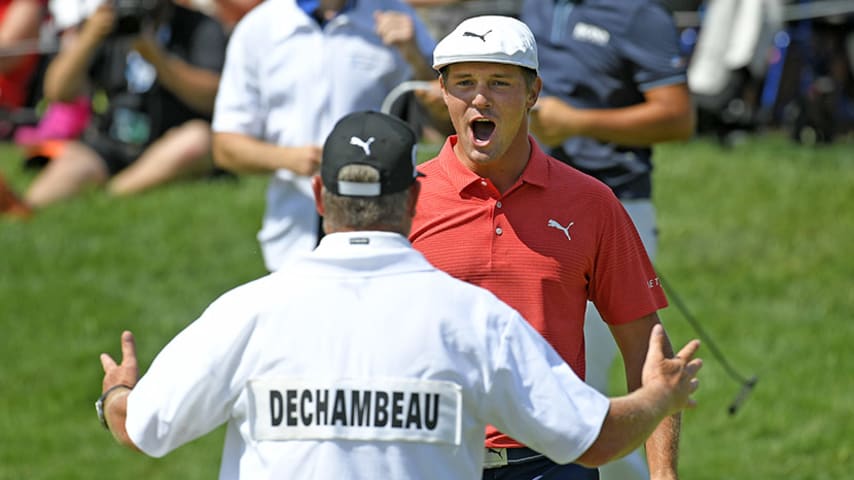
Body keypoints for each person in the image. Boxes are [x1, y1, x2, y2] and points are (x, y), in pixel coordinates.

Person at [96, 110, 703, 479]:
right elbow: (592, 440)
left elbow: (140, 428)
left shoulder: (247, 312)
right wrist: (659, 397)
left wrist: (117, 393)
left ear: (319, 197)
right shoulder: (474, 319)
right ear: (413, 199)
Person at [408, 15, 681, 479]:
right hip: (430, 462)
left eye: (499, 83)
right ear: (443, 92)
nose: (479, 98)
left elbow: (646, 346)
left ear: (533, 92)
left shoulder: (591, 203)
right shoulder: (405, 200)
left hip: (553, 465)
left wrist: (664, 475)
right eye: (464, 82)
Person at [522, 3, 697, 477]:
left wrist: (578, 122)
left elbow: (678, 117)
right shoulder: (534, 6)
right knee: (552, 384)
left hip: (615, 207)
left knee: (582, 393)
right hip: (532, 206)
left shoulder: (639, 13)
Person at [211, 0, 436, 272]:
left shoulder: (395, 14)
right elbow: (225, 146)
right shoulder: (259, 27)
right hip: (294, 229)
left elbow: (448, 116)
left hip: (384, 223)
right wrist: (288, 158)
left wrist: (416, 59)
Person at [0, 0, 228, 216]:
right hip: (111, 141)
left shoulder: (201, 26)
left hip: (169, 140)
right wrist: (89, 38)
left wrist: (157, 58)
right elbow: (58, 92)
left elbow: (211, 96)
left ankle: (113, 193)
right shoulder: (109, 24)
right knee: (73, 163)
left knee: (196, 140)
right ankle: (23, 210)